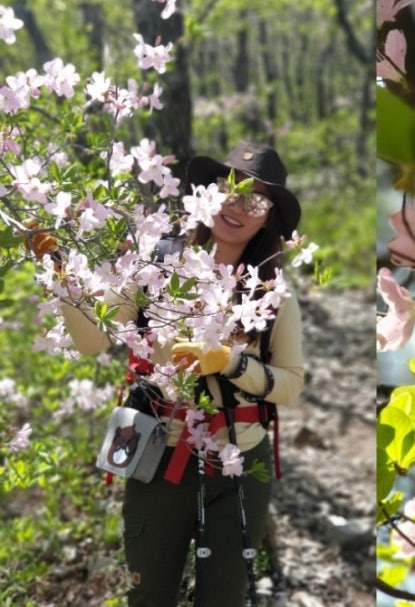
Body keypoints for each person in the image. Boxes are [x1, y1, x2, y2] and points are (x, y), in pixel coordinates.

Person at [58, 140, 305, 606]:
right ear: (208, 191)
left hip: (237, 459)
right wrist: (63, 282)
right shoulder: (157, 262)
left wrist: (231, 364)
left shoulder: (273, 293)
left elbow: (291, 385)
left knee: (224, 599)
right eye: (227, 187)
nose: (235, 205)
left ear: (269, 217)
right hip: (156, 452)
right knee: (148, 595)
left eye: (254, 199)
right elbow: (92, 341)